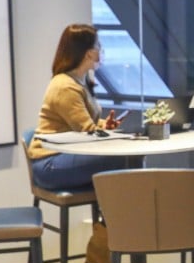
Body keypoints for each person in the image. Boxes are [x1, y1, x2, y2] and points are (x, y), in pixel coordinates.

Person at [27, 24, 124, 190]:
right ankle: (123, 213)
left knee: (123, 158)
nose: (101, 51)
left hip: (66, 154)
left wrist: (103, 125)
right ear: (88, 53)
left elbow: (84, 122)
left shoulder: (82, 81)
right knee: (122, 158)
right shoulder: (65, 86)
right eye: (98, 46)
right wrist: (100, 130)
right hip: (49, 163)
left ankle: (118, 213)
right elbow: (87, 132)